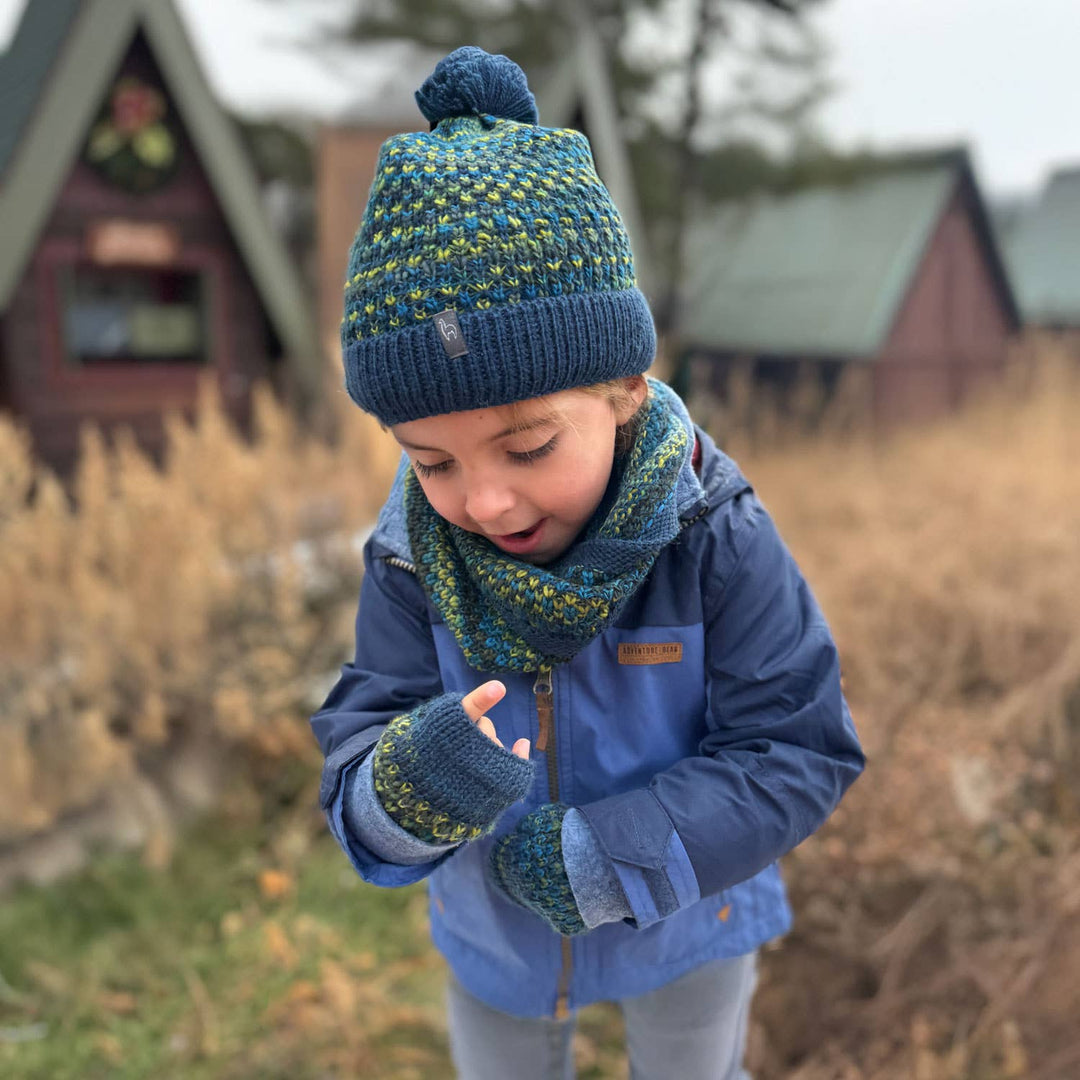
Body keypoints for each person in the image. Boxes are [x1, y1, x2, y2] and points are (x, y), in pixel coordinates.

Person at [311, 45, 864, 1080]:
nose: (482, 501)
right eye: (428, 460)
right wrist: (400, 794)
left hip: (690, 921)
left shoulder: (716, 535)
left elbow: (800, 749)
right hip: (496, 946)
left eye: (526, 448)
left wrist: (616, 856)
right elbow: (359, 743)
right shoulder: (407, 558)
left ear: (622, 386)